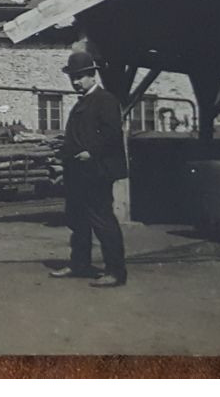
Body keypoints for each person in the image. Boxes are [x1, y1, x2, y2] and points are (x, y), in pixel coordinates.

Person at [49, 51, 128, 288]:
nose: (76, 82)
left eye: (81, 77)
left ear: (93, 76)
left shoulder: (105, 100)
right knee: (78, 221)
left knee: (102, 220)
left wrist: (92, 152)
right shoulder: (82, 102)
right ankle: (79, 264)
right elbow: (75, 137)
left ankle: (115, 272)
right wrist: (61, 159)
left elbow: (112, 134)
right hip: (78, 172)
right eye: (73, 78)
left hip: (97, 171)